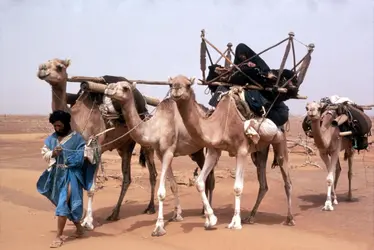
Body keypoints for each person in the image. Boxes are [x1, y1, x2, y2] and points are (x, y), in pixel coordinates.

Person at [36, 110, 97, 248]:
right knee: (66, 203)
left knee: (63, 202)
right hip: (57, 176)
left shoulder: (77, 139)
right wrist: (53, 153)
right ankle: (80, 229)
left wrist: (84, 152)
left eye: (59, 126)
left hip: (72, 175)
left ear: (66, 124)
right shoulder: (51, 139)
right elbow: (45, 153)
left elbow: (83, 158)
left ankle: (58, 236)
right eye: (55, 126)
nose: (57, 128)